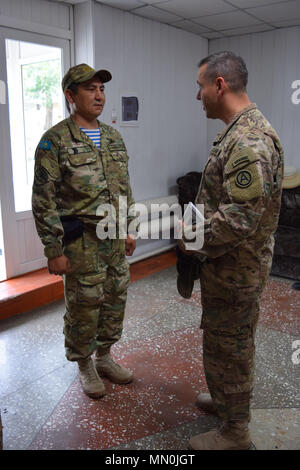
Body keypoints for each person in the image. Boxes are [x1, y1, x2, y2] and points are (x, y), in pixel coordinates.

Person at [179, 51, 284, 450]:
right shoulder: (238, 131)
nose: (198, 96)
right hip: (227, 267)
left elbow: (238, 220)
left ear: (219, 86)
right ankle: (226, 403)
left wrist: (191, 238)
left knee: (232, 345)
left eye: (200, 87)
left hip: (236, 271)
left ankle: (235, 431)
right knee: (224, 340)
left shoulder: (248, 141)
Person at [32, 64, 136, 399]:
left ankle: (104, 356)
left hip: (114, 239)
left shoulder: (113, 137)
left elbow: (124, 189)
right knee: (84, 306)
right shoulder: (54, 142)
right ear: (70, 95)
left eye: (101, 89)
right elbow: (43, 200)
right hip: (81, 245)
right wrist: (53, 250)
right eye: (90, 89)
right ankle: (84, 363)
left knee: (114, 300)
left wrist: (130, 228)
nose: (99, 95)